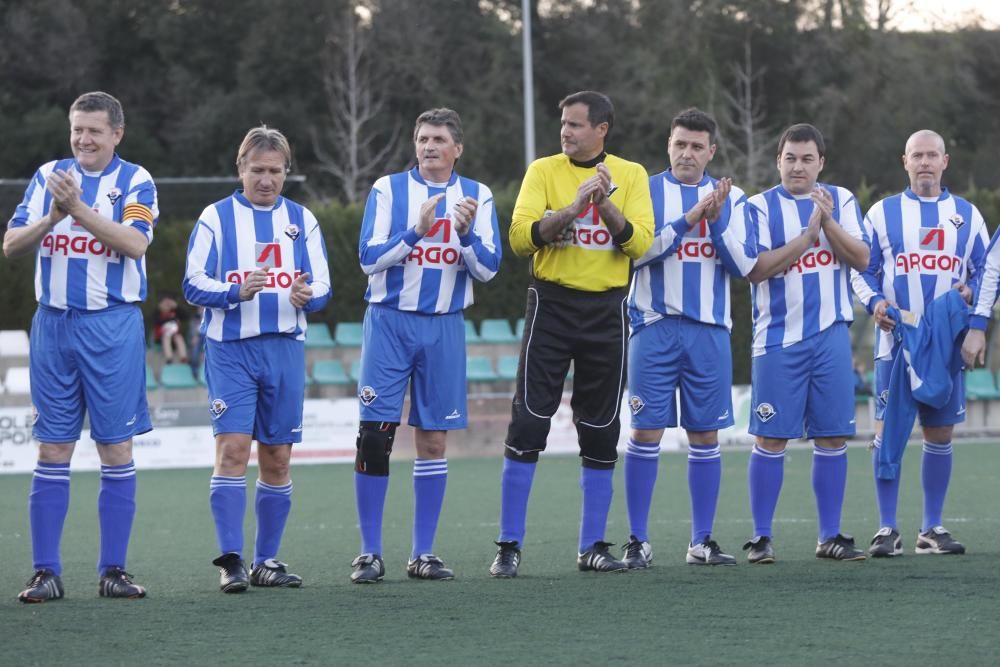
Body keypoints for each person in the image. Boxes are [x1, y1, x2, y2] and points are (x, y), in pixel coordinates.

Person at [490, 90, 654, 577]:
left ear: (602, 129)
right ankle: (508, 546)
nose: (565, 131)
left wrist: (603, 205)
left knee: (601, 428)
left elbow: (639, 245)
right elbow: (520, 237)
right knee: (529, 423)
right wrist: (569, 209)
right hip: (552, 305)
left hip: (607, 309)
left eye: (576, 125)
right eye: (563, 123)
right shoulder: (543, 171)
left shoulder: (632, 174)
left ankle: (592, 547)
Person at [3, 91, 156, 602]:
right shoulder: (49, 173)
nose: (83, 139)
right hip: (53, 326)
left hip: (111, 327)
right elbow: (10, 245)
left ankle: (113, 570)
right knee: (52, 447)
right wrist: (50, 217)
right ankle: (45, 572)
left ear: (117, 134)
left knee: (115, 446)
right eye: (77, 129)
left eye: (94, 130)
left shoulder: (136, 181)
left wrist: (77, 209)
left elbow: (135, 243)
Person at [351, 108, 501, 583]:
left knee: (433, 438)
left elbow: (490, 269)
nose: (428, 146)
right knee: (375, 435)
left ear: (458, 147)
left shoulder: (478, 195)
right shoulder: (387, 189)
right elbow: (368, 259)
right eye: (421, 138)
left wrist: (465, 234)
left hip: (443, 327)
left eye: (438, 139)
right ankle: (370, 553)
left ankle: (423, 553)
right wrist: (416, 230)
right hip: (389, 323)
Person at [182, 126, 331, 592]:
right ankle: (232, 561)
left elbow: (324, 286)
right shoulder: (215, 218)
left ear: (286, 172)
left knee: (278, 458)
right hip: (231, 351)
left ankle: (267, 561)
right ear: (240, 169)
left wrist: (309, 295)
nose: (265, 180)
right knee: (232, 451)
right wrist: (233, 291)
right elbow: (191, 283)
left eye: (274, 171)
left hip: (284, 349)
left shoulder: (302, 220)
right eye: (257, 170)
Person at [624, 108, 757, 568]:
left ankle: (702, 540)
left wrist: (715, 221)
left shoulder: (733, 199)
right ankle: (637, 540)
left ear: (711, 152)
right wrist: (687, 220)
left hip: (709, 332)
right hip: (653, 326)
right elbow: (633, 255)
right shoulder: (644, 190)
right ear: (668, 144)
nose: (687, 153)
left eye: (697, 146)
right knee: (646, 431)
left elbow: (744, 267)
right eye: (680, 144)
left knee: (705, 434)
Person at [853, 129, 987, 557]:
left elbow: (987, 273)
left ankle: (931, 527)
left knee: (940, 431)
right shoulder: (881, 213)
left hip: (946, 345)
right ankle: (886, 528)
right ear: (904, 161)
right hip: (896, 339)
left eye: (932, 155)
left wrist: (972, 299)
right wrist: (874, 301)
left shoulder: (967, 215)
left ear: (945, 162)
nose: (925, 162)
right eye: (917, 156)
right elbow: (861, 268)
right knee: (886, 433)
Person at [743, 123, 871, 564]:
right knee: (771, 438)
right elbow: (757, 269)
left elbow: (861, 258)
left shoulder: (842, 200)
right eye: (790, 158)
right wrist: (805, 236)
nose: (798, 166)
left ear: (821, 163)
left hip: (830, 336)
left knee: (833, 437)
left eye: (807, 159)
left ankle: (829, 535)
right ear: (778, 160)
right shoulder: (758, 206)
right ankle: (761, 537)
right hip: (777, 341)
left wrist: (827, 221)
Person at [153, 295, 189, 364]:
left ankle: (183, 357)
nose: (167, 305)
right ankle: (169, 358)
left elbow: (185, 316)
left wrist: (177, 307)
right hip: (162, 337)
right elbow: (157, 321)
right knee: (166, 337)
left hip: (175, 336)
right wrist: (170, 318)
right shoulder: (158, 312)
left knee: (179, 338)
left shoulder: (175, 311)